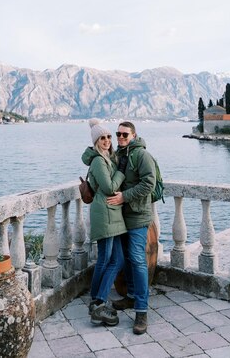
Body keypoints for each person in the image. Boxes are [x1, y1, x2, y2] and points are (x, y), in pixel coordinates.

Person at [107, 121, 156, 335]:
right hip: (121, 216)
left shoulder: (142, 155)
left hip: (138, 216)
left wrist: (124, 197)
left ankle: (142, 310)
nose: (120, 137)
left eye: (124, 134)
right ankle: (131, 296)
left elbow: (149, 183)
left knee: (137, 259)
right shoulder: (119, 154)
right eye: (117, 133)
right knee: (126, 257)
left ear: (134, 135)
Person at [82, 118, 128, 326]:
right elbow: (109, 188)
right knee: (106, 258)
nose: (108, 140)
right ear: (96, 141)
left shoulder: (108, 157)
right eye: (103, 138)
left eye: (109, 137)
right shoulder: (99, 161)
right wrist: (121, 172)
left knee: (117, 259)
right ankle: (98, 301)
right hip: (105, 213)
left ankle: (97, 299)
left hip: (113, 213)